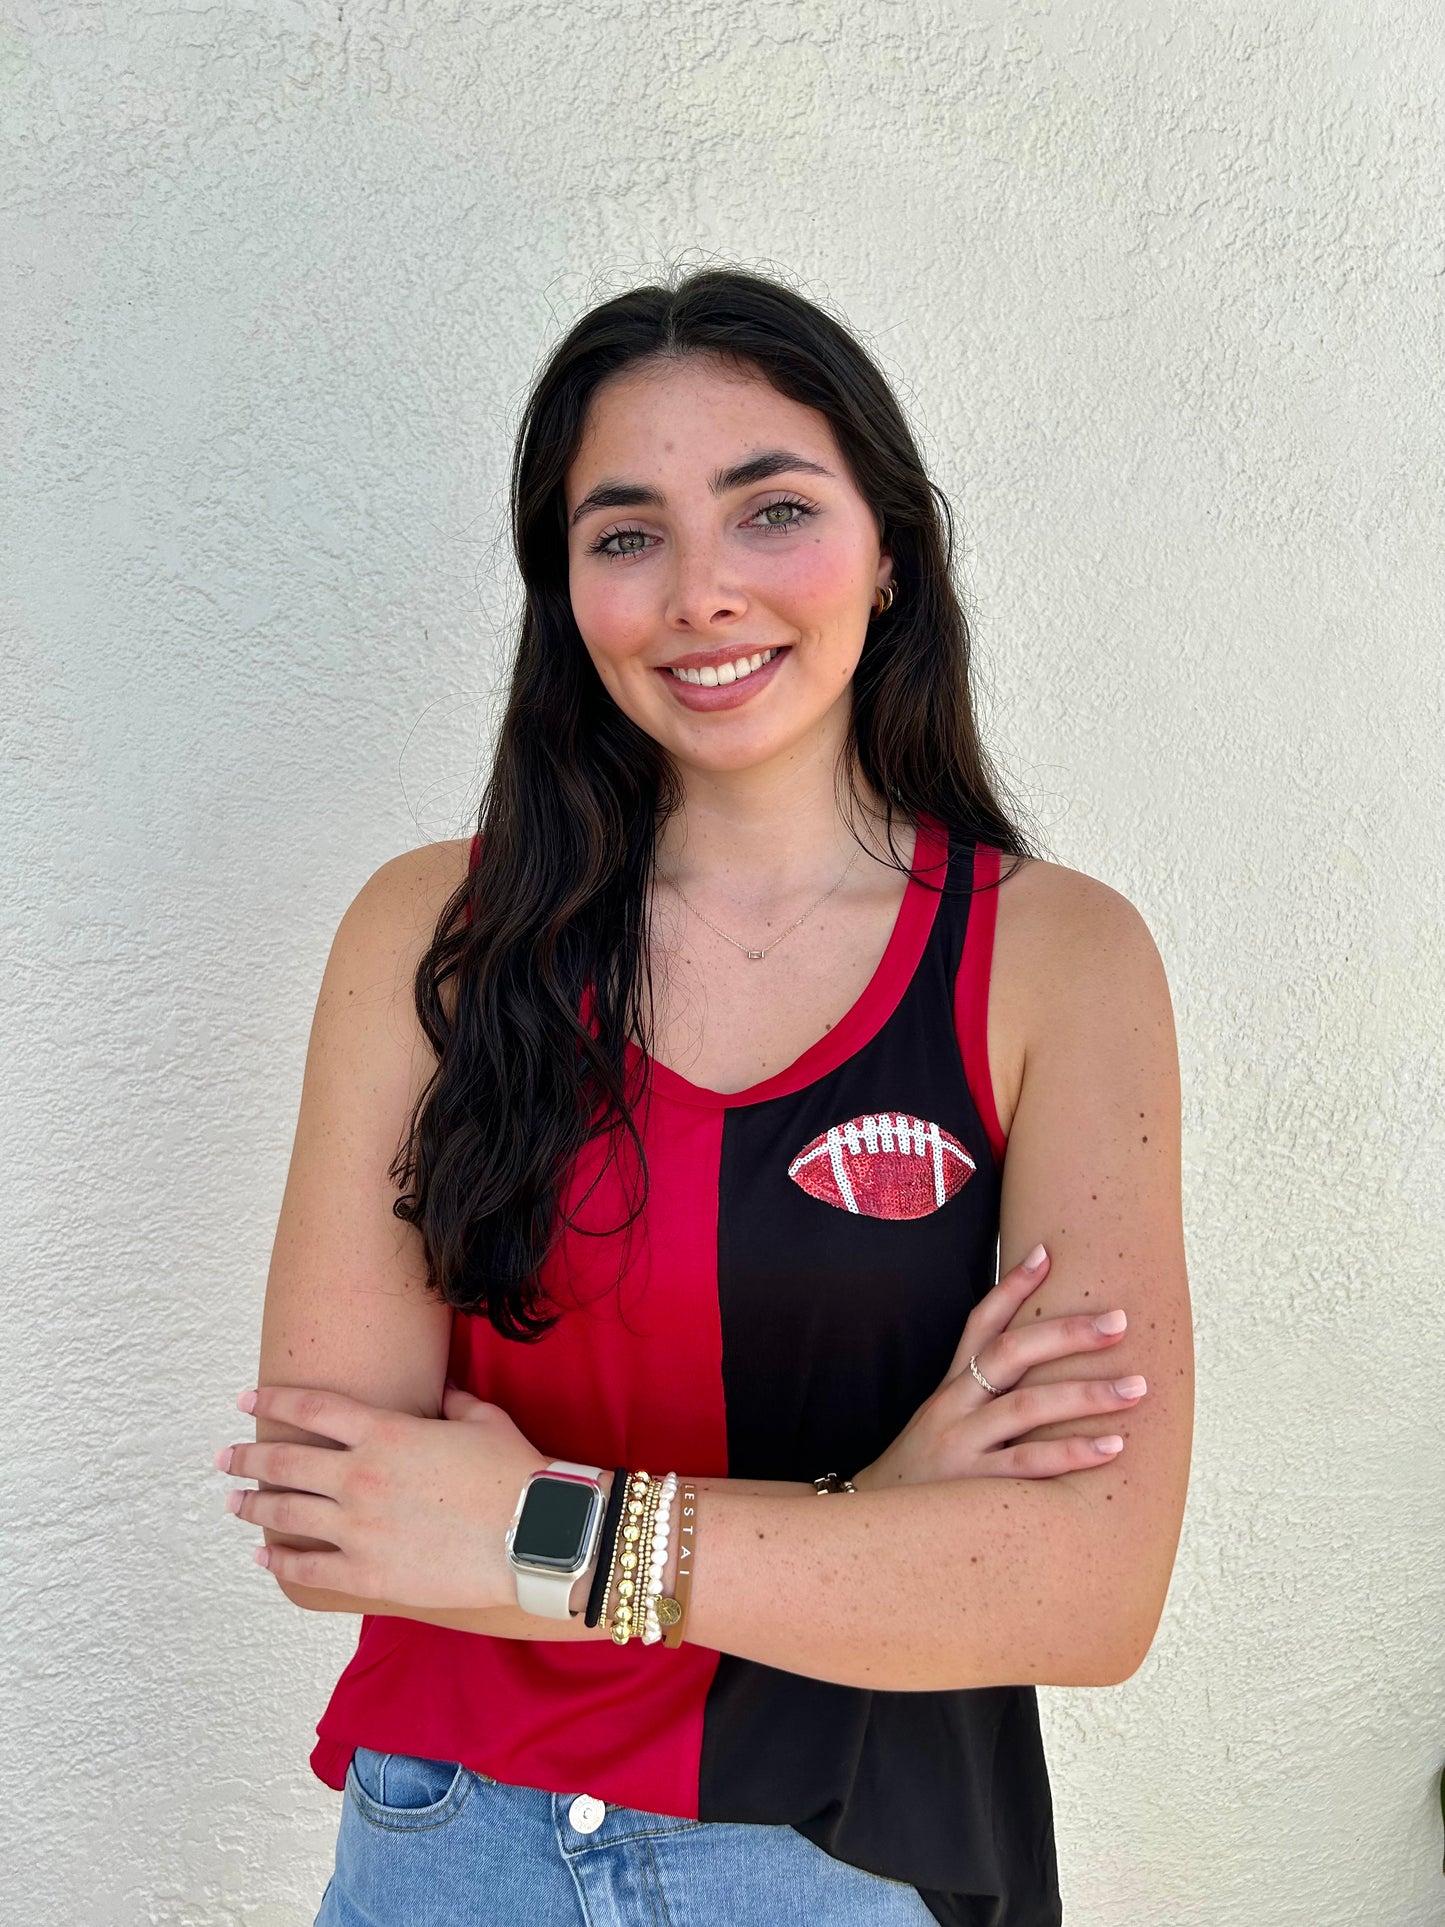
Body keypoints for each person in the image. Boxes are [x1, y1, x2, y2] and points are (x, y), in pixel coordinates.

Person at [216, 266, 1193, 1927]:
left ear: (889, 552)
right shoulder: (429, 936)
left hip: (851, 1858)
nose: (700, 593)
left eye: (771, 511)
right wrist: (875, 1517)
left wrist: (537, 1535)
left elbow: (1080, 1590)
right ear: (564, 591)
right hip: (451, 1843)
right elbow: (345, 1526)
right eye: (625, 534)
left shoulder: (1052, 960)